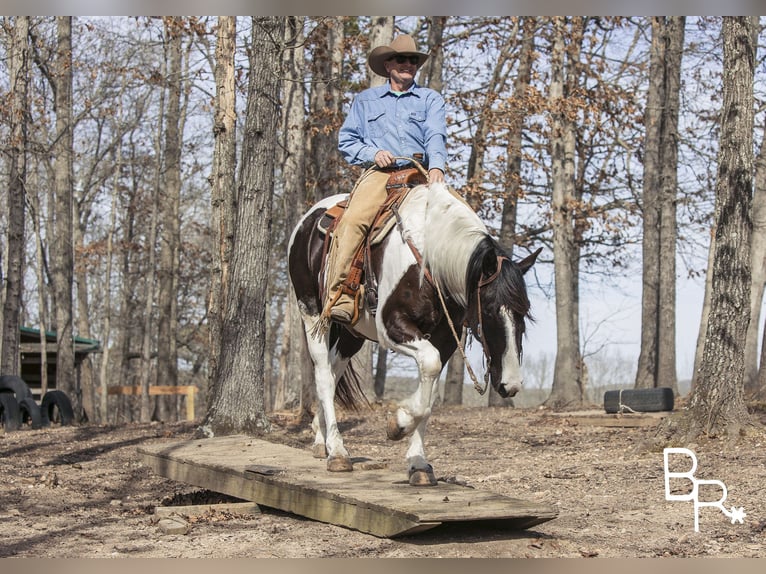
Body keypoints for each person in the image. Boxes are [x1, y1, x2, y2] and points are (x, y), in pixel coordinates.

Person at [321, 34, 448, 325]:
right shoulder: (366, 101)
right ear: (388, 64)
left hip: (421, 172)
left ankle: (460, 298)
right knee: (354, 221)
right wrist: (372, 152)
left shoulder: (430, 98)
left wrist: (438, 167)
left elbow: (435, 135)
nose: (407, 64)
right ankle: (343, 294)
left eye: (413, 60)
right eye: (401, 59)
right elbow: (347, 141)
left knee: (459, 220)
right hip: (382, 175)